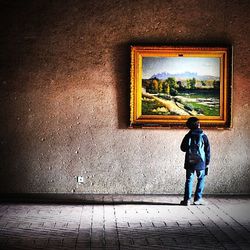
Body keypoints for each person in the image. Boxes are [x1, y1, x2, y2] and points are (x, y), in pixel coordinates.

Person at [180, 117, 210, 206]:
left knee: (189, 180)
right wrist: (207, 162)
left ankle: (186, 200)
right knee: (201, 179)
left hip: (190, 161)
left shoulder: (187, 136)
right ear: (198, 125)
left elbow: (183, 148)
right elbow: (207, 151)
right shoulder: (203, 136)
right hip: (200, 162)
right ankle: (198, 199)